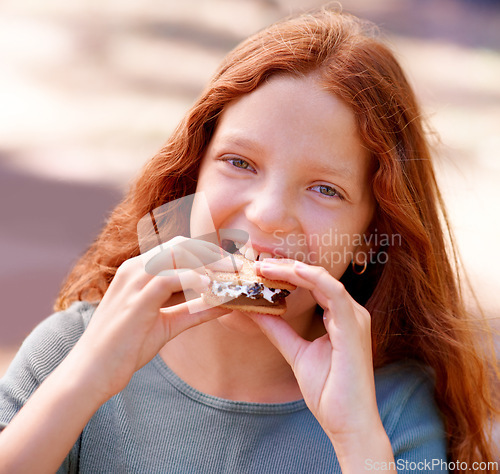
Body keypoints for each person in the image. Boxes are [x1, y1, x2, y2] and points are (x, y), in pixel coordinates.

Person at [0, 7, 498, 473]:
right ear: (191, 180)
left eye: (325, 189)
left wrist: (355, 438)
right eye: (240, 163)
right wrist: (82, 383)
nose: (268, 214)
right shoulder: (70, 352)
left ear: (372, 238)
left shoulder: (390, 411)